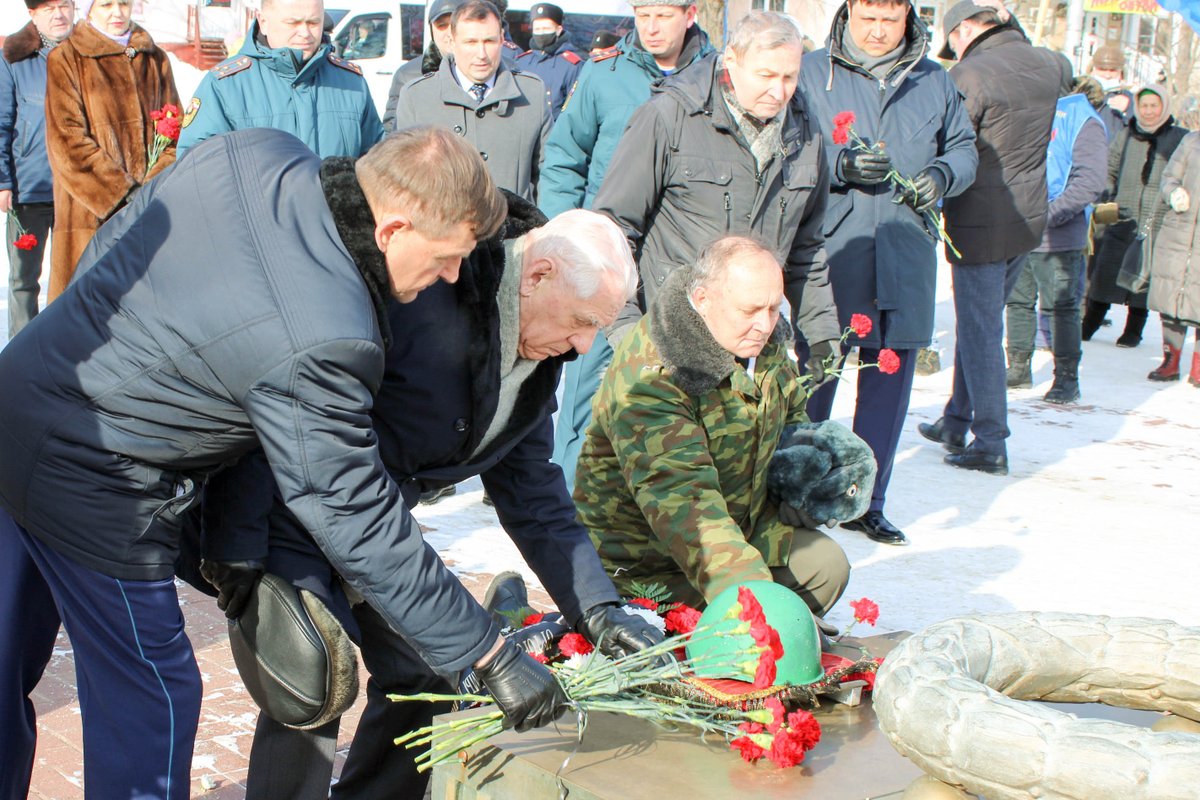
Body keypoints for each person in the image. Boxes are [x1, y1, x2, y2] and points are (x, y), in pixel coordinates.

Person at [0, 126, 571, 800]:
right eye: (446, 258)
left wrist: (99, 337)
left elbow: (125, 229)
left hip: (21, 395)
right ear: (392, 228)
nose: (451, 278)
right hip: (102, 480)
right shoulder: (330, 332)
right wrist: (486, 651)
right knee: (152, 697)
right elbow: (352, 513)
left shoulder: (259, 152)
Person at [215, 206, 656, 800]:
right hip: (294, 501)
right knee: (313, 679)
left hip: (378, 523)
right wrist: (235, 543)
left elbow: (531, 490)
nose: (583, 346)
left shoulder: (539, 353)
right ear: (538, 274)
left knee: (430, 669)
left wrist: (596, 608)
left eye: (596, 328)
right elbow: (276, 391)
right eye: (581, 322)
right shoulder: (428, 295)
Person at [574, 235, 850, 619]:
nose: (765, 325)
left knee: (825, 566)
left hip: (738, 529)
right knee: (747, 618)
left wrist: (813, 478)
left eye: (774, 309)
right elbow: (686, 505)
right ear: (702, 300)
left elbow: (791, 425)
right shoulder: (654, 372)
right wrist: (756, 602)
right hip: (641, 565)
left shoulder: (759, 344)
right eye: (751, 309)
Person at [798, 0, 977, 546]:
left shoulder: (934, 80)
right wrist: (838, 165)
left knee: (888, 379)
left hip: (904, 251)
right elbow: (786, 144)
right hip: (835, 248)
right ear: (849, 14)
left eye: (889, 20)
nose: (877, 32)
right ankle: (795, 491)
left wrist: (943, 175)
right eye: (868, 19)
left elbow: (965, 149)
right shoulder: (813, 73)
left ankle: (867, 502)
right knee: (814, 376)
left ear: (909, 20)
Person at [596, 11, 837, 398]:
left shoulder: (805, 134)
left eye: (789, 77)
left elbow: (806, 246)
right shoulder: (670, 117)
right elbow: (612, 231)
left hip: (753, 344)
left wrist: (822, 334)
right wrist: (627, 332)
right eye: (766, 75)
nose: (779, 91)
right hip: (671, 345)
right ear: (732, 61)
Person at [539, 0, 713, 492]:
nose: (652, 26)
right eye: (643, 13)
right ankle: (567, 501)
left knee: (672, 395)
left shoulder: (716, 76)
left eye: (663, 13)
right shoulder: (604, 75)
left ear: (690, 13)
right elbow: (564, 157)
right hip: (607, 260)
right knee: (587, 386)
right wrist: (567, 237)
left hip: (682, 262)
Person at [916, 0, 1059, 477]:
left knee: (980, 331)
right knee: (982, 320)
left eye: (952, 38)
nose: (952, 48)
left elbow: (946, 144)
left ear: (967, 29)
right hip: (1027, 217)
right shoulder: (1042, 62)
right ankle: (956, 419)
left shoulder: (969, 75)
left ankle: (991, 439)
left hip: (979, 221)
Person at [43, 0, 178, 301]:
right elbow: (66, 142)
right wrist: (121, 195)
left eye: (124, 3)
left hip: (149, 212)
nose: (117, 13)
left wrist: (149, 191)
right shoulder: (66, 59)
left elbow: (174, 128)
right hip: (89, 216)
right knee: (83, 318)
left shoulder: (155, 59)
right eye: (105, 4)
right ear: (89, 8)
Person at [1003, 77, 1107, 404]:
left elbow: (1090, 181)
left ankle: (1066, 378)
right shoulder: (1029, 109)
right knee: (1017, 302)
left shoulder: (1082, 118)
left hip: (1059, 234)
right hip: (1019, 230)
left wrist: (1049, 215)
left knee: (1061, 308)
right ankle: (1018, 366)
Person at [178, 0, 383, 159]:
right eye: (292, 23)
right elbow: (197, 168)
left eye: (313, 22)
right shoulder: (225, 85)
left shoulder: (351, 83)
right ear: (263, 22)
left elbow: (377, 161)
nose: (305, 33)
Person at [391, 0, 550, 202]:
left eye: (489, 41)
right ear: (452, 42)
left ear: (502, 39)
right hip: (441, 230)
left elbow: (549, 172)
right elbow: (402, 179)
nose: (481, 55)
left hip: (514, 231)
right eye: (471, 43)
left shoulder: (531, 93)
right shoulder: (416, 97)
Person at [1082, 84, 1187, 349]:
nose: (1149, 112)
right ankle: (1090, 322)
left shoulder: (1178, 138)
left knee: (1143, 276)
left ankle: (1133, 330)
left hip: (1157, 218)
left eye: (1154, 106)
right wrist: (1107, 196)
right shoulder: (1127, 135)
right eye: (1144, 106)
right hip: (1123, 216)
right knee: (1105, 272)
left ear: (1163, 107)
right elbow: (1110, 167)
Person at [0, 0, 73, 338]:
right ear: (32, 14)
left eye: (65, 5)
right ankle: (21, 354)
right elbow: (1, 122)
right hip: (30, 187)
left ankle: (65, 350)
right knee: (23, 280)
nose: (59, 14)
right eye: (48, 8)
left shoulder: (85, 54)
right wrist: (3, 180)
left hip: (76, 190)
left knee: (74, 276)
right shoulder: (13, 60)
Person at [1146, 129, 1200, 384]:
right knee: (1171, 296)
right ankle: (1170, 360)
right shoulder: (1191, 140)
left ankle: (1198, 365)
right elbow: (1168, 177)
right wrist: (1174, 193)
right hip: (1178, 231)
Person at [382, 0, 458, 129]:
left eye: (454, 25)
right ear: (431, 30)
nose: (449, 33)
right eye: (442, 25)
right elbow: (392, 133)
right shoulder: (407, 75)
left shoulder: (488, 69)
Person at [514, 3, 584, 122]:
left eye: (546, 29)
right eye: (537, 29)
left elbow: (574, 112)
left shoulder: (572, 65)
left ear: (558, 30)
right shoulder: (521, 62)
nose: (541, 33)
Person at [1089, 42, 1133, 137]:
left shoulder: (1129, 98)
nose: (1107, 75)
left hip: (1112, 150)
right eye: (1102, 69)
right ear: (1093, 69)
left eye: (1112, 70)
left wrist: (1128, 110)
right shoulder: (1080, 93)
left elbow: (1140, 129)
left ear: (1120, 72)